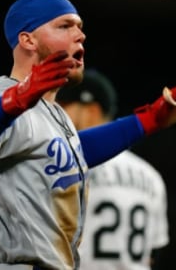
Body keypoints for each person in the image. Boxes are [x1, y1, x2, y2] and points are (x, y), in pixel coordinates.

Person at [0, 0, 176, 270]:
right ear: (28, 40)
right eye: (64, 25)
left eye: (80, 28)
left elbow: (74, 152)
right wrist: (16, 99)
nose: (80, 35)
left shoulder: (52, 112)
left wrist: (147, 121)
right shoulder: (4, 99)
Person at [57, 69, 169, 270]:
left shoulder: (66, 167)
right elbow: (153, 254)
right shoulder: (151, 177)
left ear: (91, 111)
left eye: (64, 107)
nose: (58, 116)